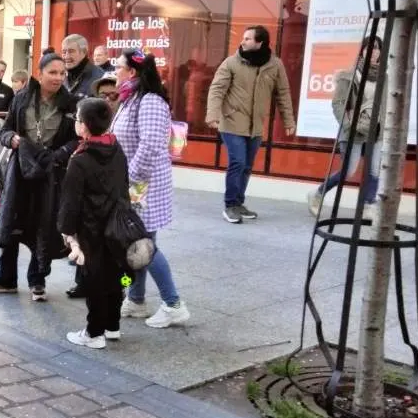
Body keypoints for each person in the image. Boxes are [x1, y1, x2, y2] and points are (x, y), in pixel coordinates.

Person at [0, 51, 78, 302]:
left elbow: (76, 139)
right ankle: (6, 279)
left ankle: (38, 280)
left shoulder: (70, 103)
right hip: (20, 171)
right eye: (53, 72)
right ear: (40, 73)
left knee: (43, 225)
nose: (58, 78)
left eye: (62, 73)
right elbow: (5, 131)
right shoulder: (22, 98)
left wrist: (60, 155)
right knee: (11, 223)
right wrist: (11, 139)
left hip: (50, 174)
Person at [112, 49, 190, 329]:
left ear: (132, 72)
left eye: (118, 67)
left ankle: (173, 304)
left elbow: (151, 145)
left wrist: (128, 180)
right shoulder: (131, 98)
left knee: (142, 247)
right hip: (135, 187)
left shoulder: (150, 101)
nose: (115, 71)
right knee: (136, 246)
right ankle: (135, 298)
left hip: (141, 189)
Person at [206, 25, 296, 224]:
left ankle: (238, 203)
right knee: (237, 162)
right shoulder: (231, 63)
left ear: (260, 42)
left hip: (255, 125)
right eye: (243, 38)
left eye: (248, 39)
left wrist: (289, 121)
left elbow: (283, 94)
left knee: (246, 166)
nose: (243, 41)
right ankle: (230, 205)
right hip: (232, 121)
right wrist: (213, 114)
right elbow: (217, 90)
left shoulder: (275, 65)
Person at [59, 98, 129, 348]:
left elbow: (70, 201)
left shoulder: (80, 159)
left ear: (85, 126)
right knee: (119, 278)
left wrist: (68, 232)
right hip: (119, 228)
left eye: (77, 119)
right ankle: (113, 325)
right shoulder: (116, 148)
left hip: (92, 230)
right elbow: (124, 187)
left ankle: (94, 333)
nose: (76, 123)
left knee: (95, 281)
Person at [308, 37, 384, 220]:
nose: (373, 52)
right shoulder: (348, 76)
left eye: (376, 48)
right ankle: (318, 193)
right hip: (354, 131)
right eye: (369, 48)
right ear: (362, 51)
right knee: (348, 171)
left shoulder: (384, 77)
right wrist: (350, 124)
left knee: (375, 170)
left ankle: (368, 204)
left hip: (376, 132)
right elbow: (338, 104)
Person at [62, 34, 105, 100]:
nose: (66, 56)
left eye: (71, 51)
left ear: (84, 52)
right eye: (64, 52)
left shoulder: (100, 77)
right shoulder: (61, 75)